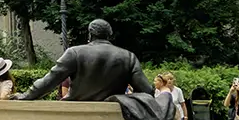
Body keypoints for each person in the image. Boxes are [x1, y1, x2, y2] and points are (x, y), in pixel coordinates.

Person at [19, 19, 153, 101]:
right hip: (115, 114)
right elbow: (146, 90)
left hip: (76, 113)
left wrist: (26, 95)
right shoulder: (128, 56)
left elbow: (49, 81)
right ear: (109, 35)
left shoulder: (75, 52)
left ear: (90, 34)